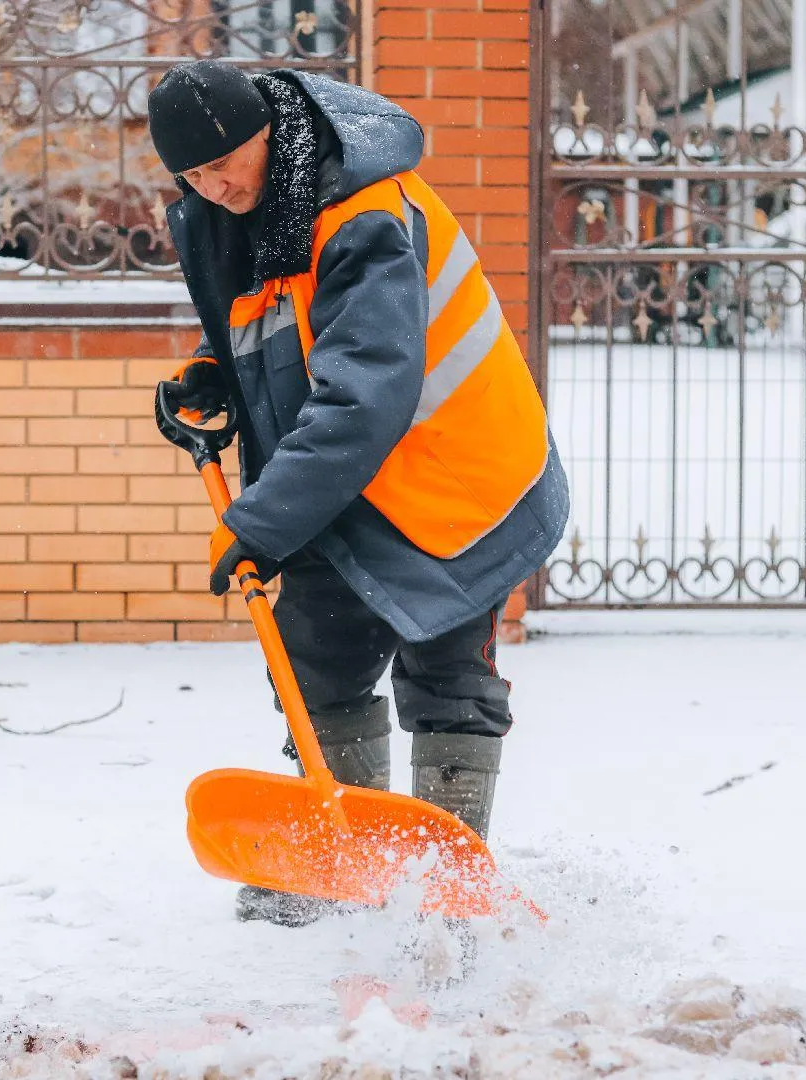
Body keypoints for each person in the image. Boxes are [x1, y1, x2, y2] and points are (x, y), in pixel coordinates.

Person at [149, 60, 570, 927]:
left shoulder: (364, 212)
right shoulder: (246, 212)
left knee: (448, 676)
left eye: (229, 159)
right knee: (314, 663)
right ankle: (344, 865)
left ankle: (446, 889)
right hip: (346, 477)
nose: (215, 183)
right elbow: (272, 319)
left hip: (454, 473)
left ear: (272, 128)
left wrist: (259, 522)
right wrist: (209, 375)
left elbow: (363, 390)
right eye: (193, 175)